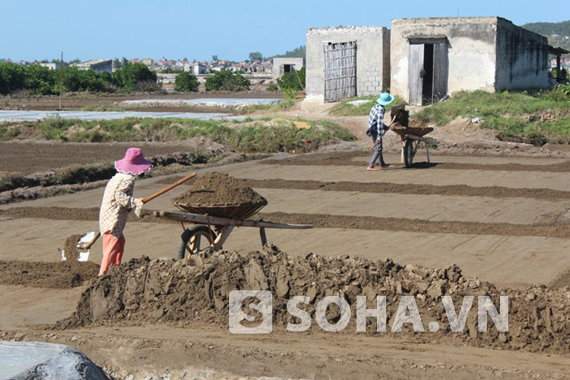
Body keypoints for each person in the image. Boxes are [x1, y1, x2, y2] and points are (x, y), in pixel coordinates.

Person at [98, 147, 152, 276]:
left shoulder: (118, 177)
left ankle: (116, 269)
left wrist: (133, 201)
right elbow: (119, 197)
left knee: (120, 242)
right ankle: (102, 274)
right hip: (113, 217)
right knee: (111, 245)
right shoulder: (128, 179)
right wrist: (135, 202)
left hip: (107, 214)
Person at [366, 92, 395, 171]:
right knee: (378, 148)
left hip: (372, 128)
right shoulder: (380, 111)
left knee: (379, 147)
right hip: (375, 130)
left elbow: (375, 121)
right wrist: (379, 137)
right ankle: (370, 166)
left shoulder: (375, 107)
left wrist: (385, 127)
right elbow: (379, 124)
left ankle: (382, 164)